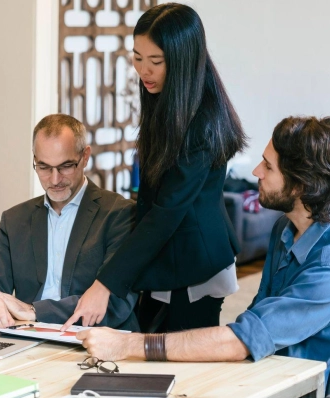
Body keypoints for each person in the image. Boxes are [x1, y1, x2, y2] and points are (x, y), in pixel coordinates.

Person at [76, 116, 330, 398]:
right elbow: (252, 321)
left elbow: (243, 340)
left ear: (301, 186)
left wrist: (127, 344)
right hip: (258, 386)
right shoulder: (287, 230)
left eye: (268, 166)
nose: (257, 172)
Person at [63, 3, 246, 333]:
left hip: (195, 260)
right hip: (169, 255)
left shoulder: (201, 122)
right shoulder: (165, 96)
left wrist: (105, 284)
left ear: (181, 60)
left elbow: (166, 212)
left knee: (179, 366)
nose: (143, 70)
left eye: (156, 61)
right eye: (137, 57)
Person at [0, 114, 139, 331]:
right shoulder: (15, 220)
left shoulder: (119, 214)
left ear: (85, 156)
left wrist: (32, 311)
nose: (54, 180)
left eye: (65, 166)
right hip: (27, 340)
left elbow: (116, 303)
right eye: (43, 167)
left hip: (97, 340)